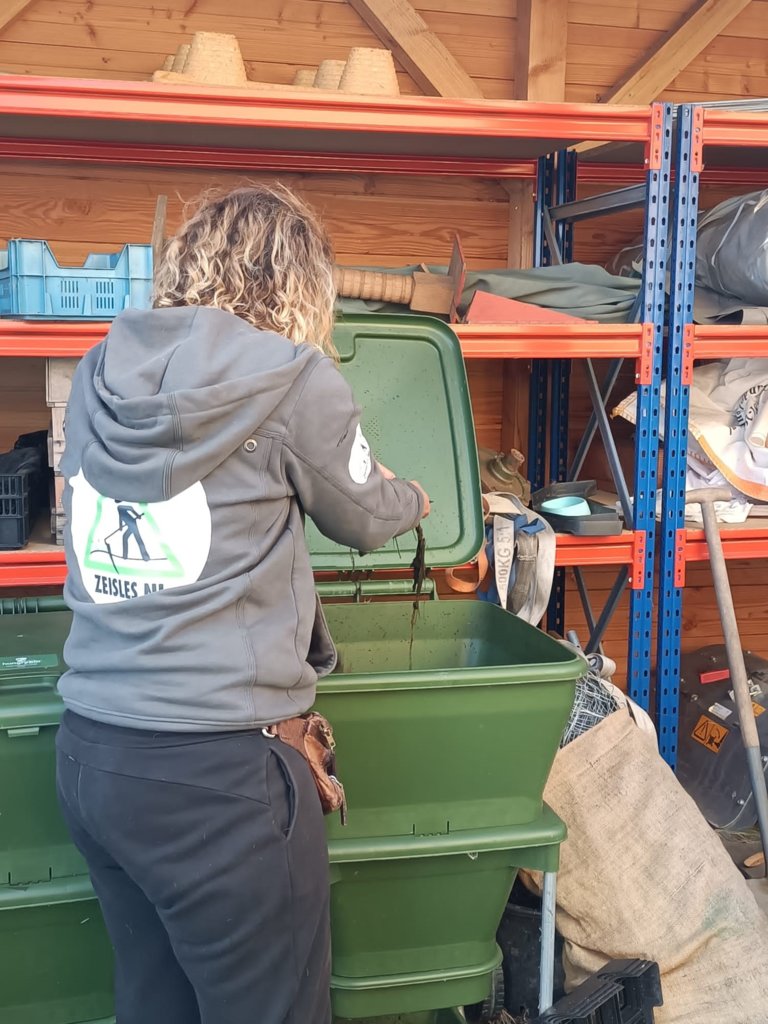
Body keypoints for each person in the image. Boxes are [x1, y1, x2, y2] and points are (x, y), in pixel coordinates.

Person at [55, 183, 430, 1024]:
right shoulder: (293, 377)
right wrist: (411, 497)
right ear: (299, 284)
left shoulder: (100, 369)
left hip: (94, 756)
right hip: (219, 781)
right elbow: (364, 516)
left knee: (156, 1004)